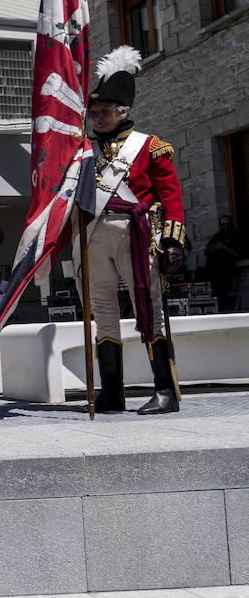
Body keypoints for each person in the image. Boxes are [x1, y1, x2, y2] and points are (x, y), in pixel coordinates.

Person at [83, 46, 186, 415]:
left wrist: (173, 240)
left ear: (122, 111)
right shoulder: (86, 152)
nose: (97, 119)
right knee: (104, 313)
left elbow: (171, 197)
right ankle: (112, 391)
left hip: (137, 230)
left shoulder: (150, 147)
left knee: (151, 310)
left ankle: (165, 391)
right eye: (93, 114)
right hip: (95, 233)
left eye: (103, 113)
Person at [204, 215, 244, 312]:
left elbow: (238, 254)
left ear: (230, 224)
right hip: (213, 270)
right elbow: (207, 250)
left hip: (226, 270)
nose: (224, 226)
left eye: (226, 224)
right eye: (222, 224)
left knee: (222, 292)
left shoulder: (236, 236)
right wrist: (212, 248)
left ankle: (221, 311)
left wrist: (224, 247)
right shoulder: (218, 235)